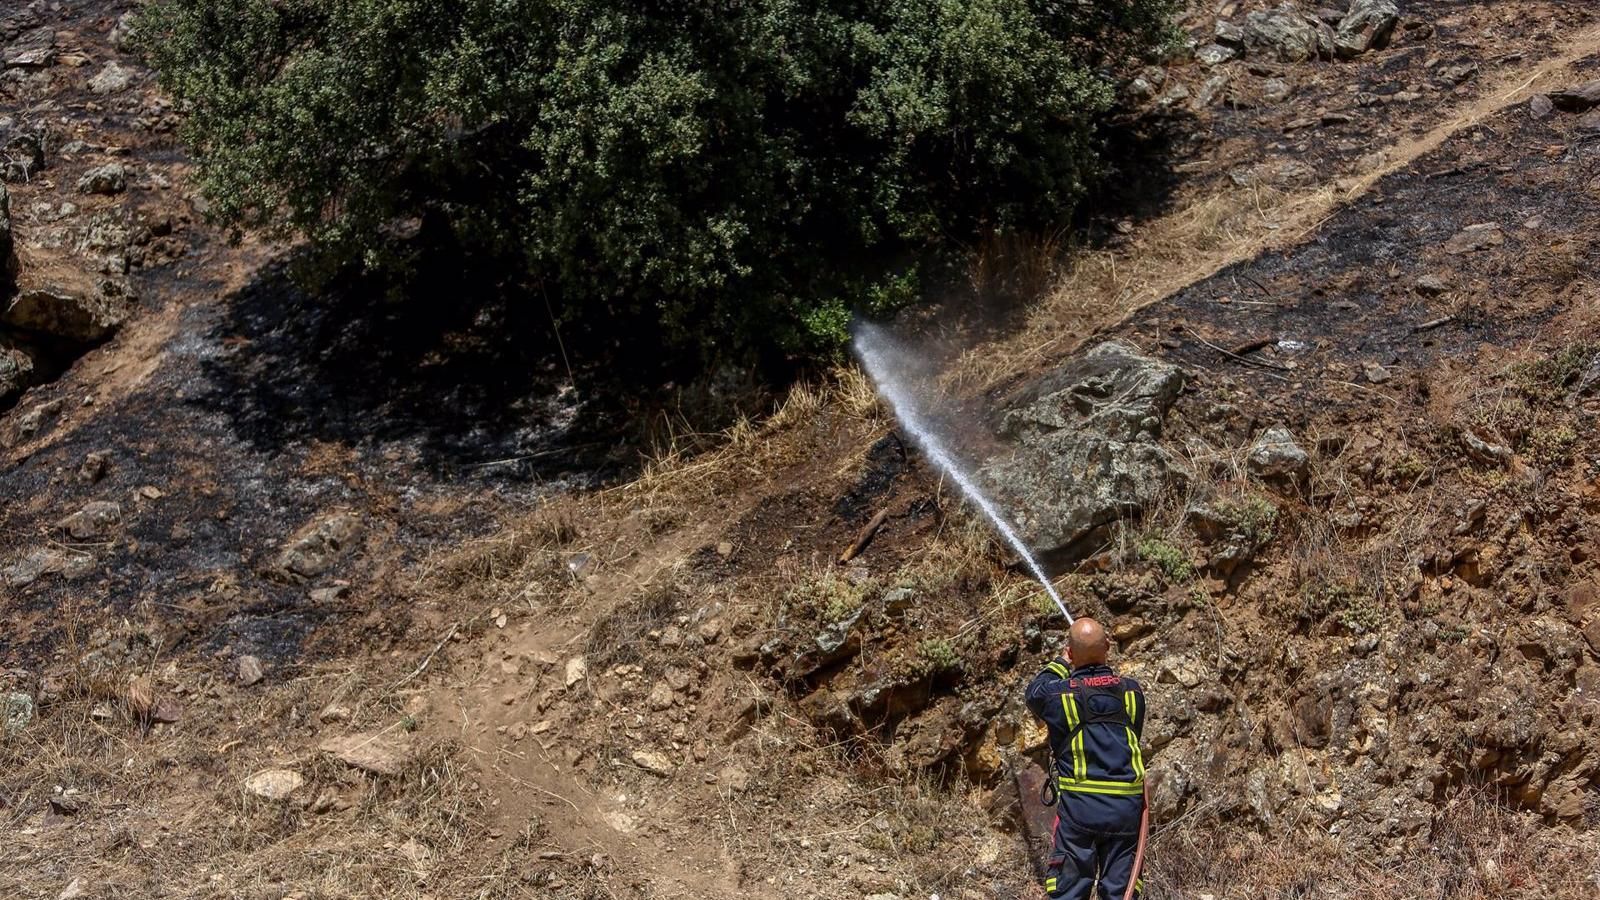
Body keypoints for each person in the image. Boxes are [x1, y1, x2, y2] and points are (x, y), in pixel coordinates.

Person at [1024, 618, 1147, 900]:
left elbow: (1034, 693)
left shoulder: (1060, 696)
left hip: (1081, 810)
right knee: (1121, 892)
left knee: (1069, 891)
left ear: (1071, 651)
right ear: (1108, 647)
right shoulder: (1133, 692)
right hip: (1125, 811)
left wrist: (1060, 662)